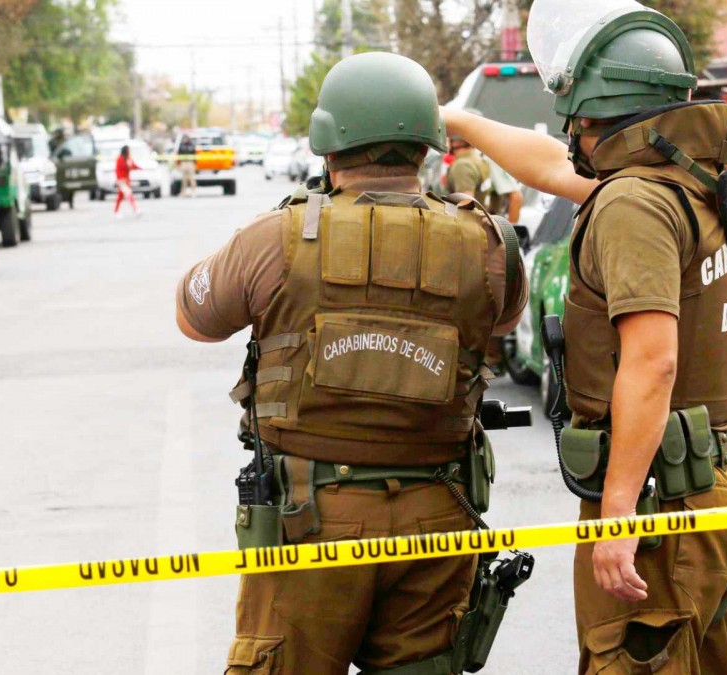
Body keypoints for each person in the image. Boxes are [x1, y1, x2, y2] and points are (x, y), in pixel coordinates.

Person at [175, 52, 527, 674]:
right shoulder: (491, 245)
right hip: (437, 516)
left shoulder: (275, 238)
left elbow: (195, 316)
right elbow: (498, 323)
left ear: (327, 146)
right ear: (428, 146)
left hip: (310, 522)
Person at [443, 0, 727, 672]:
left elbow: (651, 363)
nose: (573, 137)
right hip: (719, 487)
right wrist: (460, 121)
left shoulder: (632, 202)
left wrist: (618, 517)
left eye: (582, 121)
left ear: (606, 114)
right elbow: (551, 167)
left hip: (660, 504)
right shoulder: (696, 179)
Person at [113, 144, 140, 218]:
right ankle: (135, 209)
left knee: (120, 196)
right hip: (122, 181)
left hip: (126, 180)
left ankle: (116, 211)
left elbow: (133, 165)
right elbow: (124, 167)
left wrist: (140, 168)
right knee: (129, 194)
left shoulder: (128, 158)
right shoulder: (120, 159)